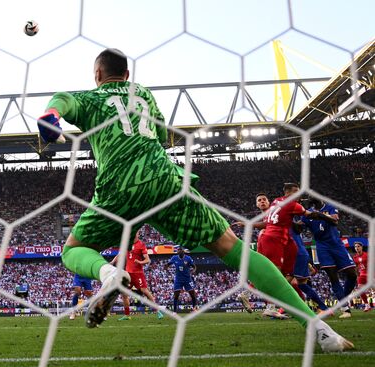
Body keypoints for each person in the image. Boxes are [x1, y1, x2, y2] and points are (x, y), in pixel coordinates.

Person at [38, 48, 353, 351]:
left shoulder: (93, 99)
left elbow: (63, 100)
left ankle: (108, 273)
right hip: (167, 181)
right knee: (233, 248)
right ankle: (320, 330)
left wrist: (52, 115)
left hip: (119, 187)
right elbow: (160, 137)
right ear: (128, 74)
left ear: (97, 74)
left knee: (74, 250)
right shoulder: (144, 96)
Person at [301, 198, 357, 318]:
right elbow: (299, 226)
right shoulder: (307, 214)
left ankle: (343, 297)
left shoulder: (330, 207)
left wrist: (321, 215)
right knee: (333, 277)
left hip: (337, 244)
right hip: (322, 247)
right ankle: (345, 308)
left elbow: (335, 221)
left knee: (352, 274)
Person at [110, 233, 164, 320]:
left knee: (145, 291)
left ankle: (158, 311)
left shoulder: (141, 245)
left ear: (137, 235)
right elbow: (120, 254)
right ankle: (127, 315)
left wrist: (140, 262)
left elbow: (148, 260)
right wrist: (112, 262)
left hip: (138, 273)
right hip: (128, 273)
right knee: (124, 293)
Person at [290, 222, 329, 314]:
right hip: (302, 255)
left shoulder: (284, 227)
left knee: (286, 282)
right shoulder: (293, 229)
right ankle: (323, 307)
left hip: (296, 256)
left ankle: (290, 309)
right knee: (302, 285)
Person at [165, 247, 198, 314]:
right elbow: (168, 265)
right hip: (178, 279)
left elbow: (194, 266)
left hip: (187, 279)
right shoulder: (174, 257)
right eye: (178, 251)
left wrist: (194, 270)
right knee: (176, 295)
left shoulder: (188, 258)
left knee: (192, 293)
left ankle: (194, 308)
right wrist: (167, 271)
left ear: (183, 252)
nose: (179, 252)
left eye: (180, 250)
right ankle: (174, 311)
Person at [352, 242, 370, 312]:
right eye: (355, 247)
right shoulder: (355, 257)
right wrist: (357, 275)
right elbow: (356, 267)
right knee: (360, 289)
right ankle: (367, 305)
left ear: (362, 247)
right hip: (362, 275)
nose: (357, 248)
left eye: (358, 246)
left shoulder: (367, 255)